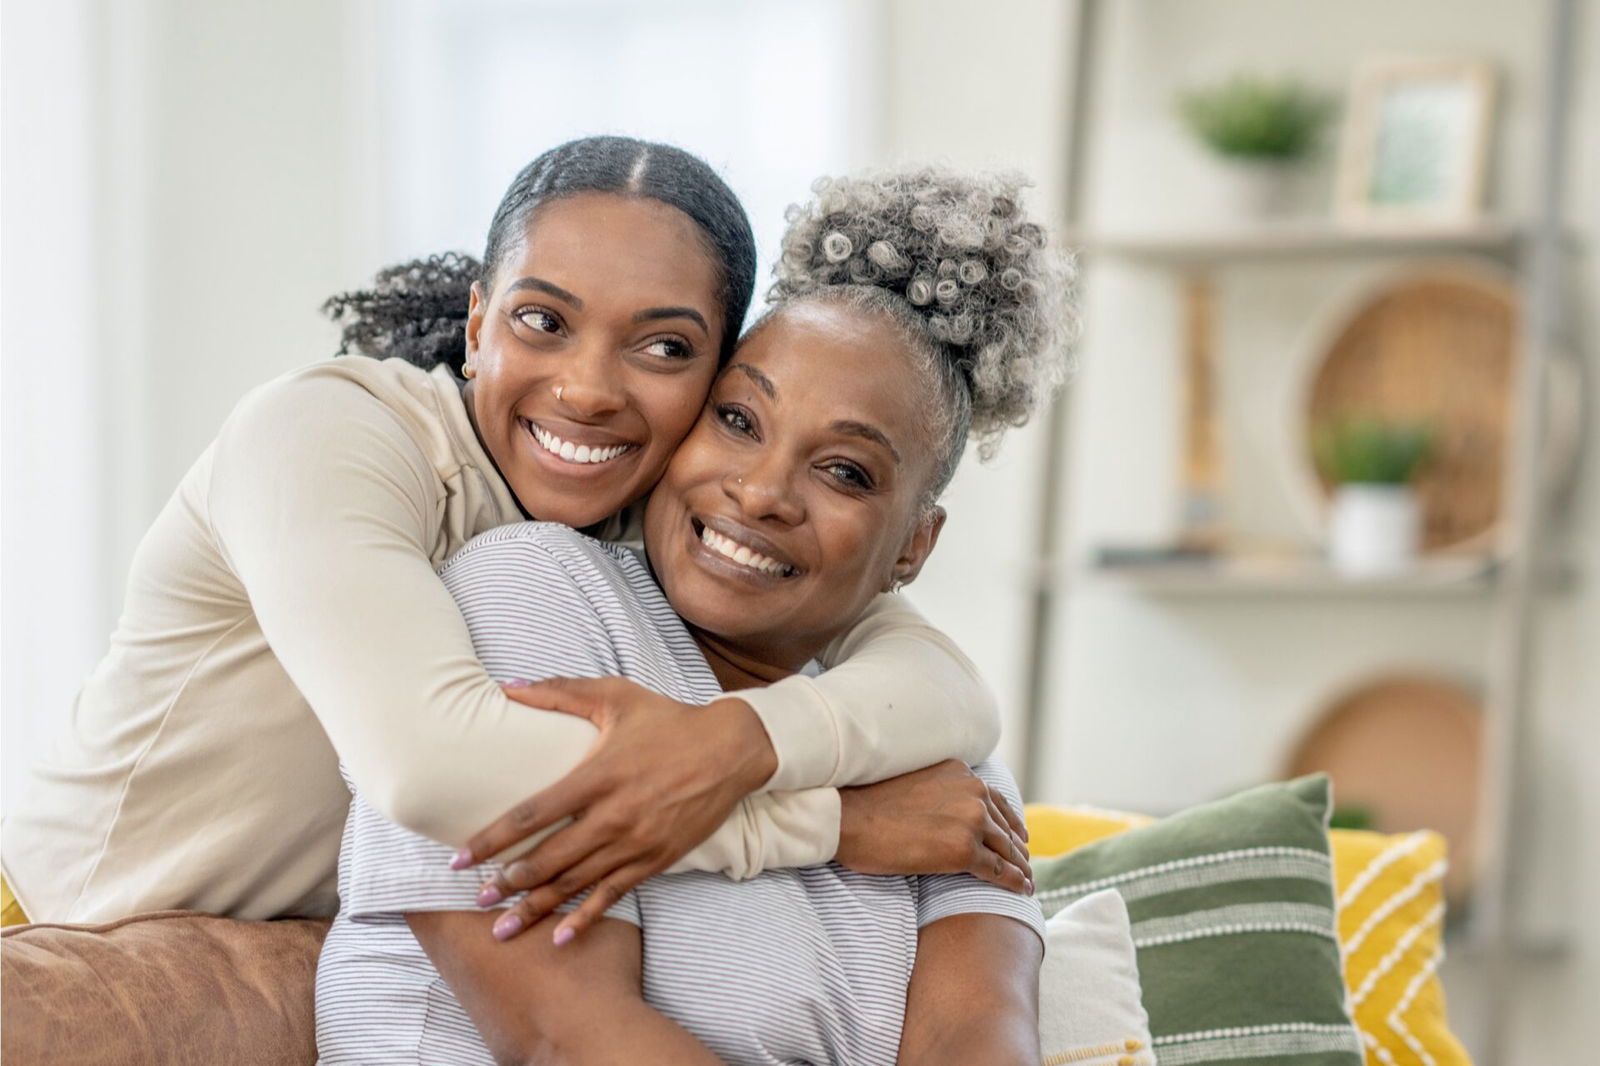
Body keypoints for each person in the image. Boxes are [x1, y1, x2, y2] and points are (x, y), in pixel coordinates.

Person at [0, 137, 1006, 929]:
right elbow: (429, 767)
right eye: (542, 321)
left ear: (715, 373)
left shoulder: (651, 509)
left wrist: (737, 739)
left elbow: (945, 687)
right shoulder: (332, 432)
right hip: (58, 931)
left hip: (275, 963)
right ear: (477, 323)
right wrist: (828, 823)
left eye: (663, 346)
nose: (586, 389)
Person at [315, 165, 1072, 1065]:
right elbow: (563, 1037)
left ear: (913, 546)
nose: (760, 493)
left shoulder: (945, 767)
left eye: (845, 472)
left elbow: (978, 1039)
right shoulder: (536, 592)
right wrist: (825, 821)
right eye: (740, 420)